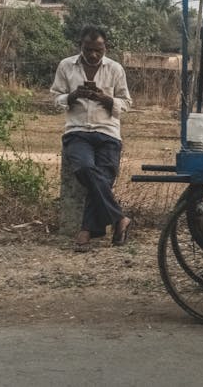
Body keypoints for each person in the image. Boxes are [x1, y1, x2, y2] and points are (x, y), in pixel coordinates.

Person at [51, 25, 133, 252]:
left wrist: (106, 99)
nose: (94, 55)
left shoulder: (115, 69)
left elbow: (126, 103)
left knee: (103, 179)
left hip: (108, 132)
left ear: (105, 47)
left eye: (98, 50)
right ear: (81, 46)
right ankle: (119, 219)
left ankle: (86, 231)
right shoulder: (66, 66)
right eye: (88, 50)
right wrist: (72, 96)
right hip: (77, 132)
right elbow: (55, 97)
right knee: (86, 168)